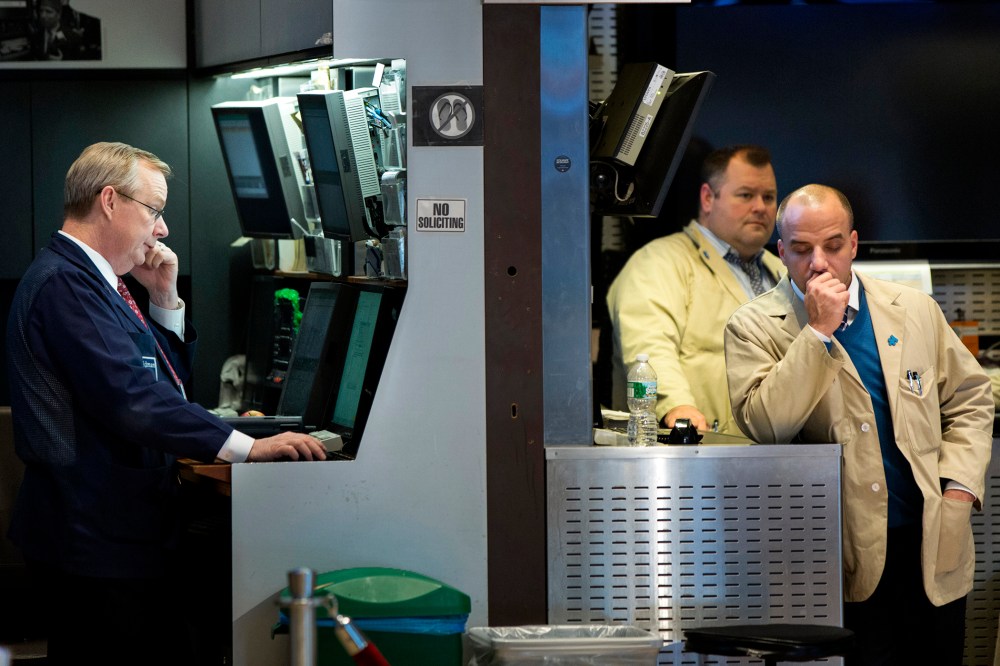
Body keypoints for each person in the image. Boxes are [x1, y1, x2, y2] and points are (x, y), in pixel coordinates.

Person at [5, 142, 327, 665]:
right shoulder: (67, 285)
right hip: (95, 538)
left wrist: (164, 301)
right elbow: (133, 401)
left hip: (112, 533)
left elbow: (163, 386)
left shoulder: (96, 283)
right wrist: (250, 449)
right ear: (109, 200)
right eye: (154, 210)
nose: (163, 228)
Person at [724, 184, 993, 665]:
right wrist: (816, 333)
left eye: (831, 246)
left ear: (853, 244)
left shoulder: (913, 309)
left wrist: (961, 488)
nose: (820, 263)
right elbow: (766, 424)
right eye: (802, 250)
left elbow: (971, 399)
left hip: (931, 538)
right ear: (781, 252)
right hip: (839, 551)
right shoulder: (754, 327)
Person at [606, 144, 783, 434]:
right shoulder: (659, 263)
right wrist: (677, 405)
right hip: (699, 455)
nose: (760, 207)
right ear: (707, 198)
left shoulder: (785, 272)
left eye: (769, 197)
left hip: (783, 457)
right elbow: (650, 347)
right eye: (746, 195)